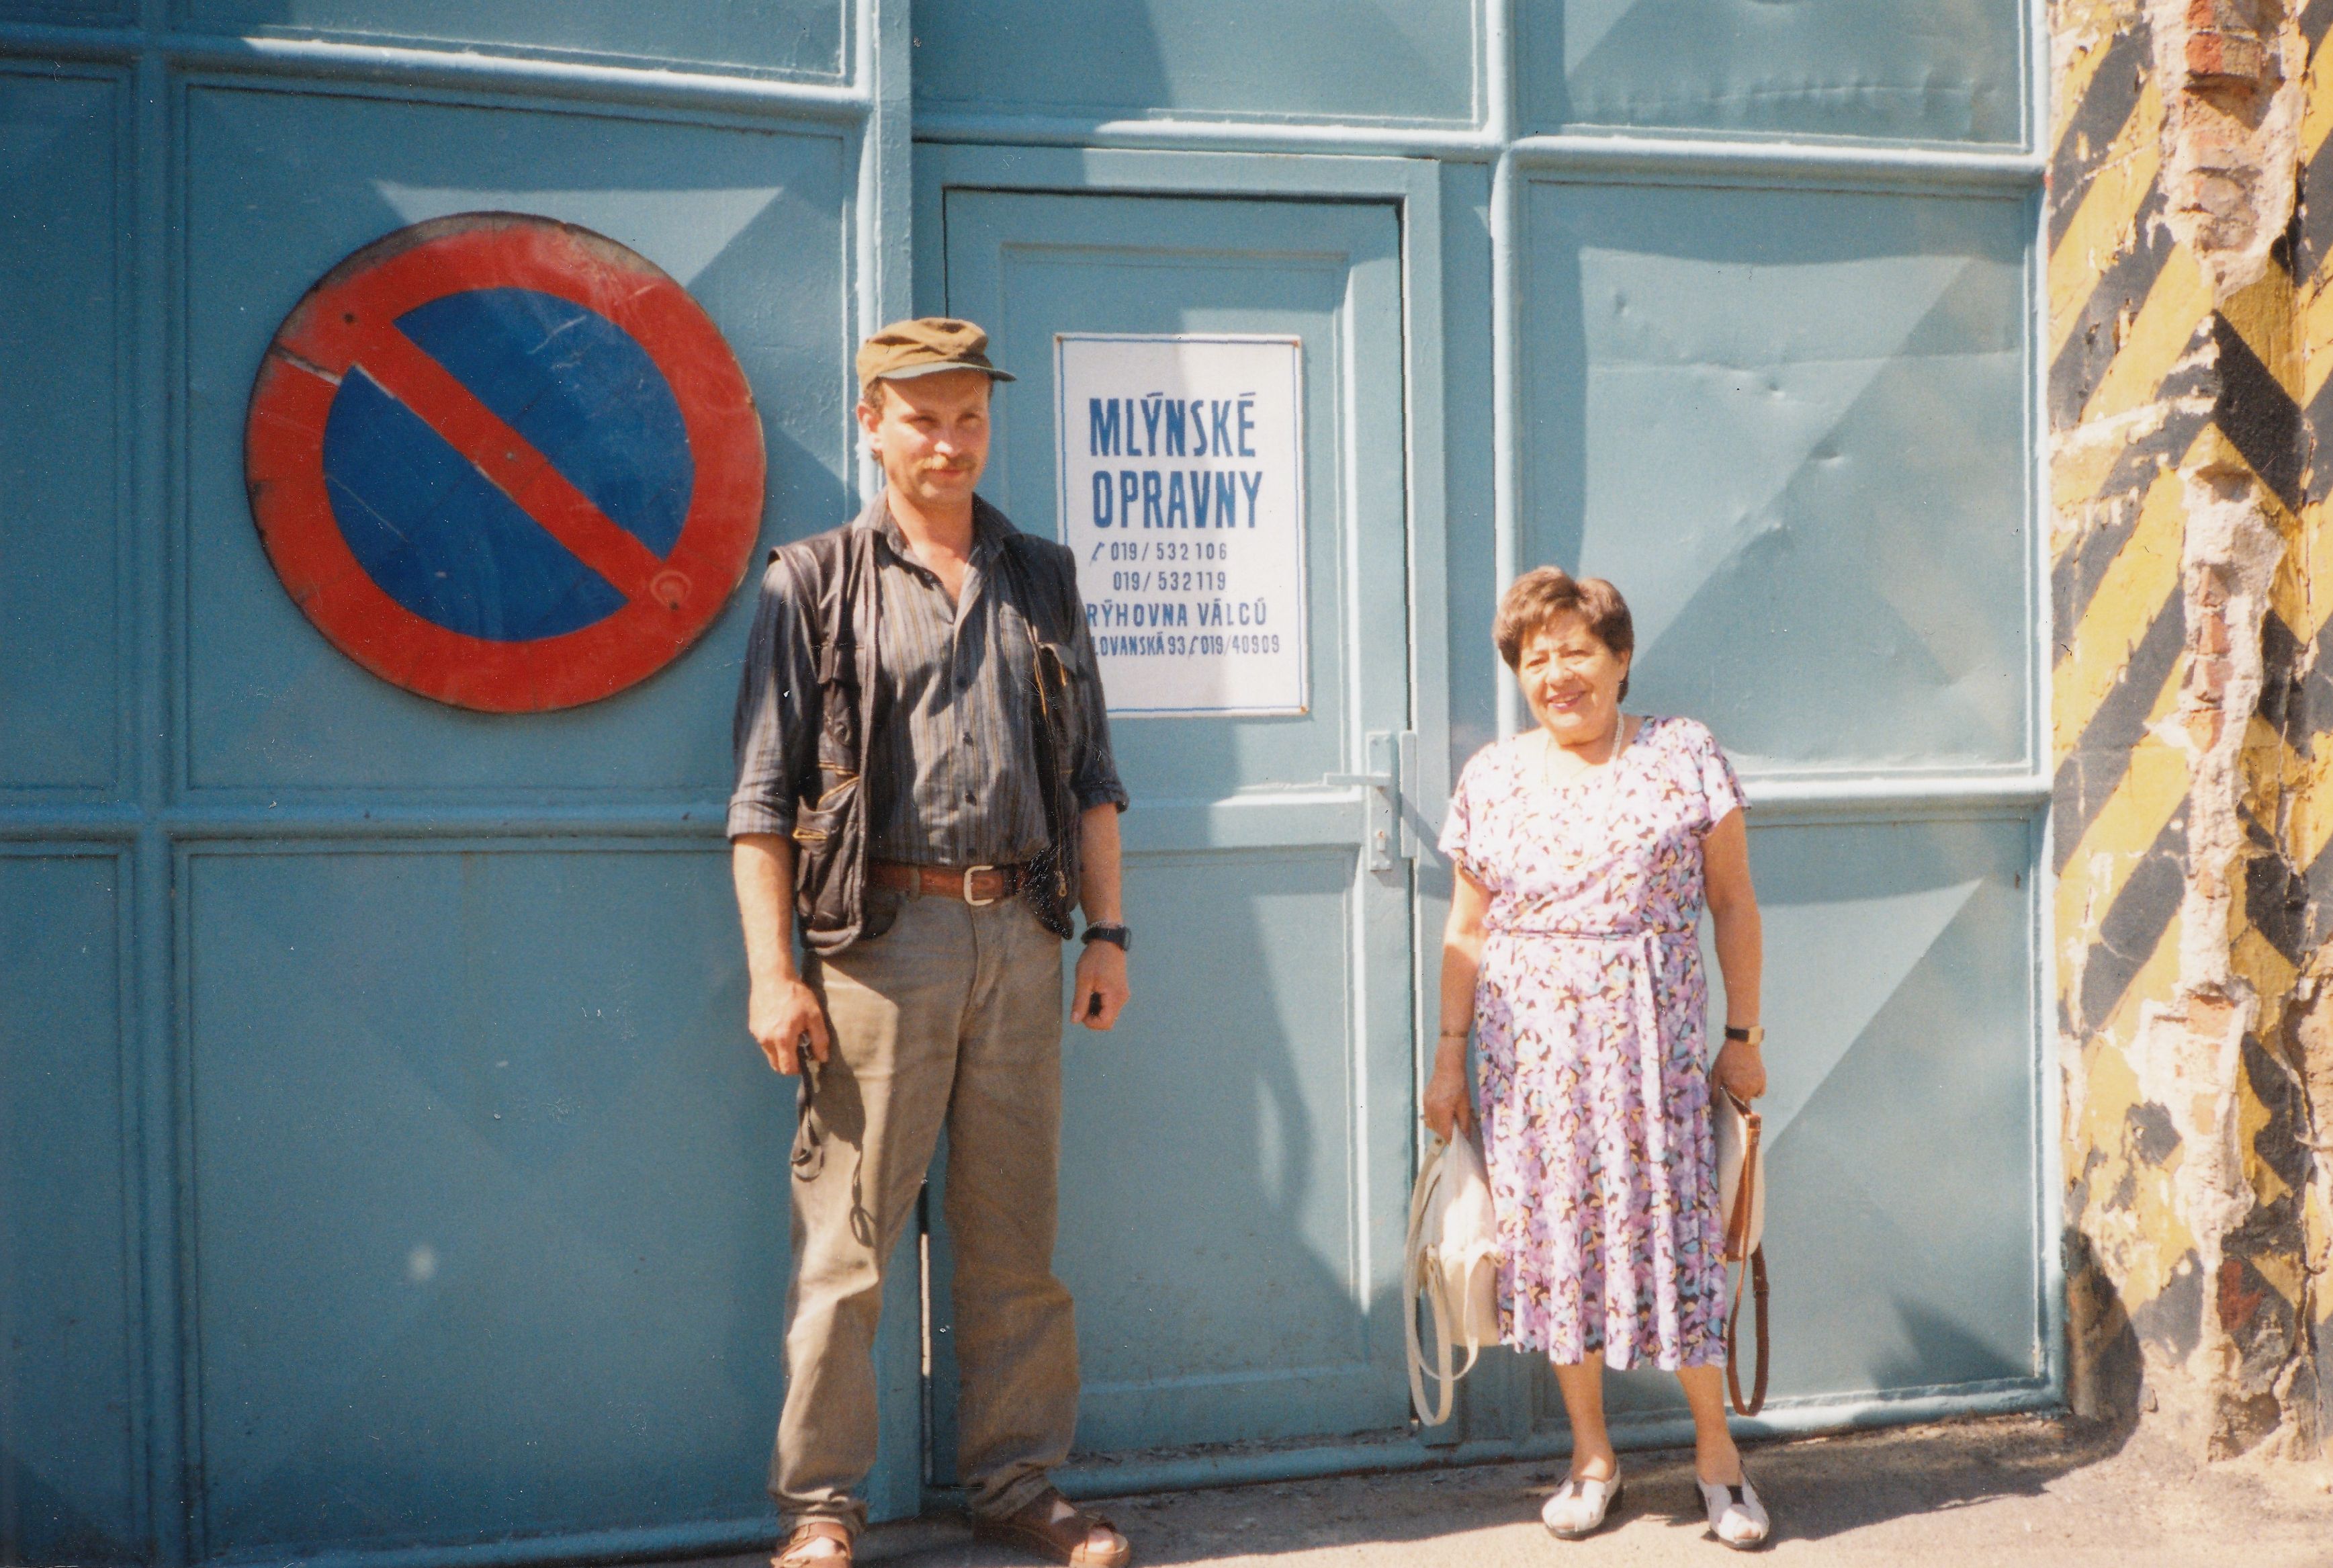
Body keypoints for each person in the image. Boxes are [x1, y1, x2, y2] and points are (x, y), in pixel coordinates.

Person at [728, 318, 1136, 1568]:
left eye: (968, 418)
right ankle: (822, 1506)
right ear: (871, 424)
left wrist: (1107, 934)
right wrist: (774, 972)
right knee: (845, 1244)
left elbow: (1093, 777)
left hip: (1021, 937)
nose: (948, 442)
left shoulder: (1043, 576)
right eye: (921, 418)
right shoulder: (812, 581)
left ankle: (1015, 1482)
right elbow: (760, 801)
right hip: (877, 946)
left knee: (1015, 1240)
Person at [1425, 567, 1771, 1551]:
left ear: (1620, 659)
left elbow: (1733, 902)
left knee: (1681, 1247)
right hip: (1528, 1071)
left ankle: (1718, 1457)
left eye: (1577, 650)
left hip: (1651, 1063)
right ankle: (1592, 1459)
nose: (1557, 673)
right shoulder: (1491, 776)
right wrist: (1448, 1059)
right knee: (1554, 1254)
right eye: (1536, 658)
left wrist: (1742, 1038)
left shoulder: (1681, 753)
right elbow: (1466, 927)